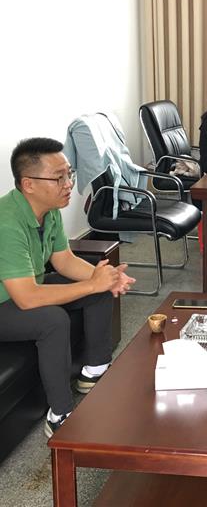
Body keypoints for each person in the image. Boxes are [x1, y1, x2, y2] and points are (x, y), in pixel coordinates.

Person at [0, 138, 135, 438]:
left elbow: (63, 260)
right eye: (58, 177)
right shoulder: (6, 223)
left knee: (99, 285)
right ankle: (59, 415)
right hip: (6, 302)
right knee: (53, 321)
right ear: (29, 184)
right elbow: (26, 298)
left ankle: (94, 372)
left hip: (26, 287)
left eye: (69, 174)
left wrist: (106, 278)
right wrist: (92, 283)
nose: (68, 184)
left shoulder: (48, 210)